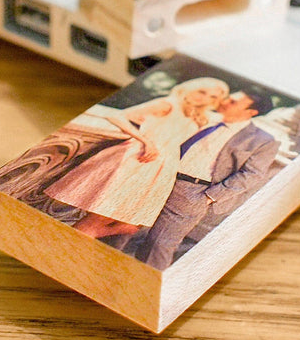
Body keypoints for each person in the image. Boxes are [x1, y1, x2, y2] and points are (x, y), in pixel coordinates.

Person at [43, 77, 229, 237]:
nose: (204, 98)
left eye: (212, 96)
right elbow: (119, 117)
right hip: (140, 158)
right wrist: (146, 141)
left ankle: (106, 232)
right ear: (190, 88)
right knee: (98, 216)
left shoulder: (200, 115)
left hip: (163, 164)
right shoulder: (167, 104)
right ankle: (73, 246)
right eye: (202, 91)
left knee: (120, 215)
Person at [137, 90, 279, 270]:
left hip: (193, 192)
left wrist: (209, 197)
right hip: (156, 176)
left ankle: (146, 288)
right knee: (120, 227)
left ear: (251, 112)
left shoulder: (262, 140)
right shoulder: (202, 117)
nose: (225, 101)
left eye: (233, 102)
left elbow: (252, 174)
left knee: (159, 245)